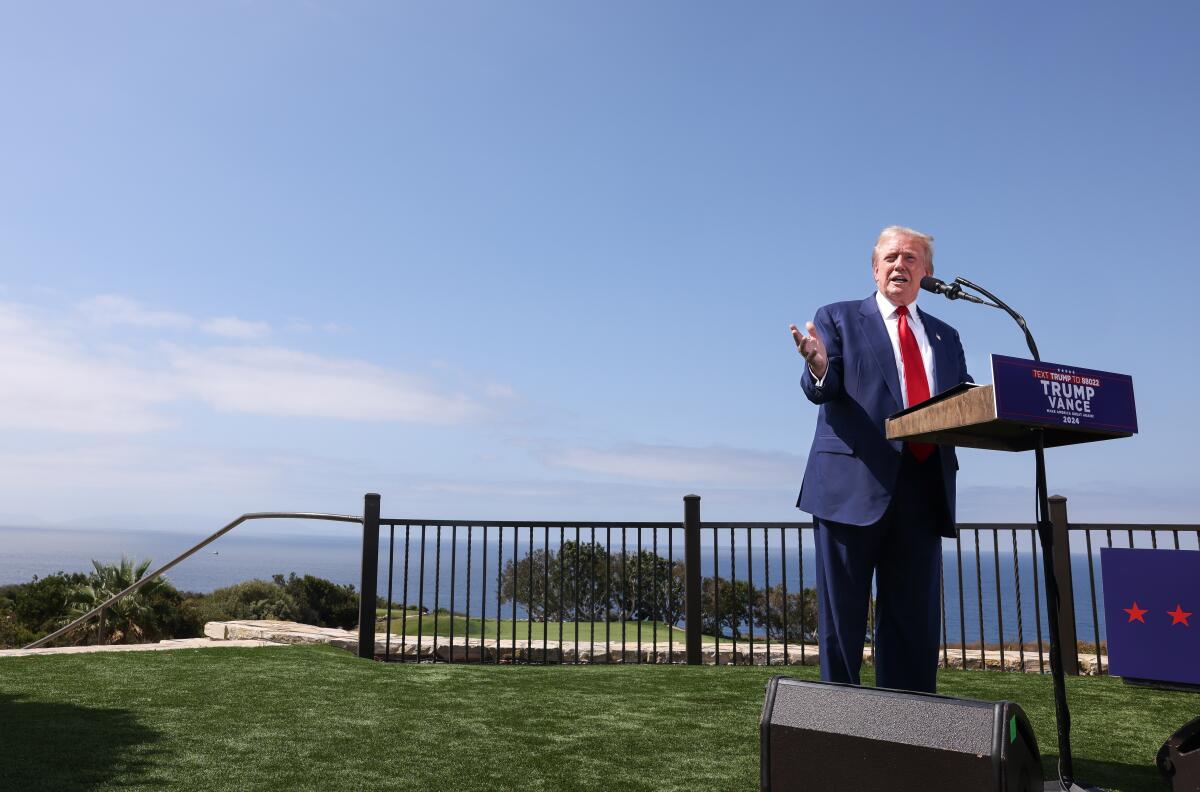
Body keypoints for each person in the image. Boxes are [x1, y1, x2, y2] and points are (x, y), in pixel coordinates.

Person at [789, 225, 971, 694]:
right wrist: (818, 366)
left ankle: (907, 730)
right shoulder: (838, 318)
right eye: (890, 257)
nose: (900, 265)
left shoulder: (947, 337)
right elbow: (822, 388)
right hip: (852, 487)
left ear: (927, 273)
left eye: (911, 258)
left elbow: (962, 403)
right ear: (875, 268)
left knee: (914, 624)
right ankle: (840, 730)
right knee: (842, 623)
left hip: (923, 491)